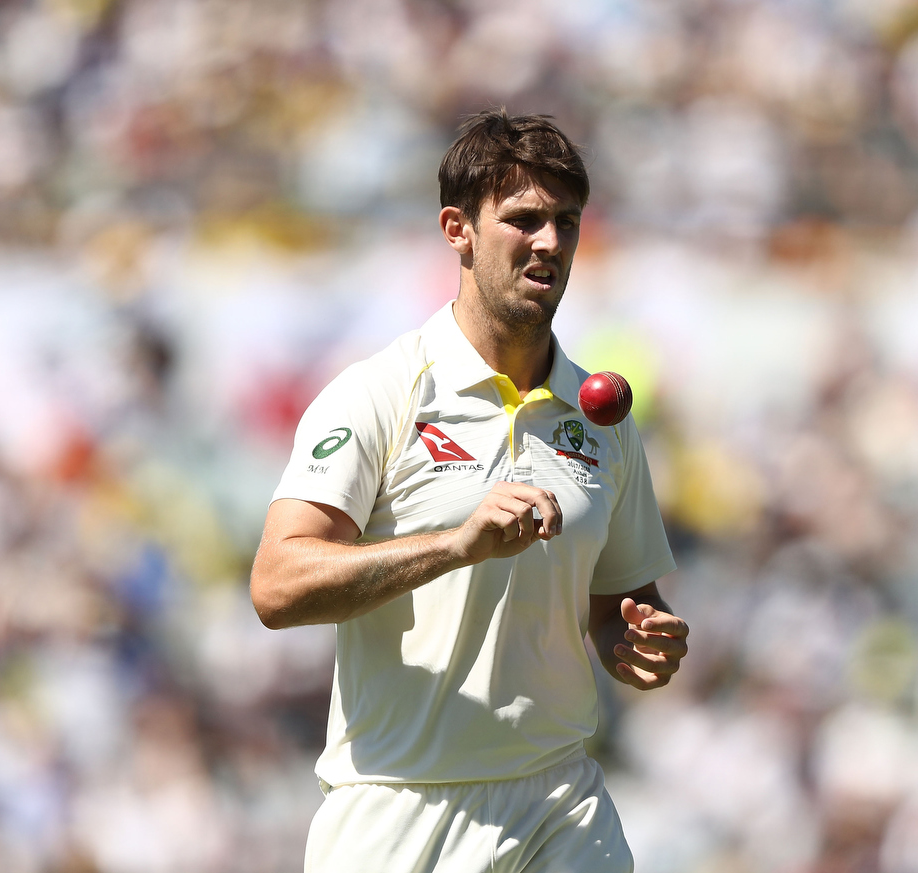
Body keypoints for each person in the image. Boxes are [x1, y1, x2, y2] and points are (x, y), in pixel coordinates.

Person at [251, 109, 690, 873]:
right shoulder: (380, 393)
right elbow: (278, 584)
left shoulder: (602, 414)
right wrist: (456, 546)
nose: (550, 242)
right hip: (399, 806)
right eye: (523, 219)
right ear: (457, 229)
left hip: (560, 798)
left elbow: (616, 607)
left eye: (566, 220)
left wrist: (637, 642)